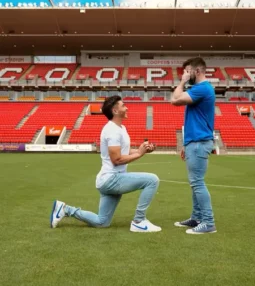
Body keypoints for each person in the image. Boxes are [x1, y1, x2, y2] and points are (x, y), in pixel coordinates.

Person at [50, 95, 161, 233]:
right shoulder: (112, 130)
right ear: (115, 111)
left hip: (109, 180)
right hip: (111, 179)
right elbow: (117, 160)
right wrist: (139, 154)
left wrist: (141, 150)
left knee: (102, 222)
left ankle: (65, 209)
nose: (127, 107)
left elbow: (124, 151)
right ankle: (139, 221)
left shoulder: (121, 128)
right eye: (123, 105)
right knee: (152, 180)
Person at [171, 57, 217, 234]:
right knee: (195, 182)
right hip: (194, 141)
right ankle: (197, 217)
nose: (185, 74)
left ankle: (208, 222)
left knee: (197, 182)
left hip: (199, 142)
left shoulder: (202, 88)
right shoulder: (199, 89)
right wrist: (185, 144)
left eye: (187, 71)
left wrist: (182, 82)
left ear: (197, 71)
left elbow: (174, 100)